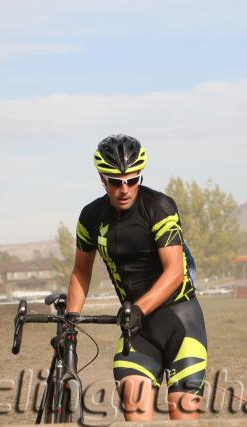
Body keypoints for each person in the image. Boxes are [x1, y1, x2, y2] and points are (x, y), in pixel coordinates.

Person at [65, 134, 207, 421]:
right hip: (138, 333)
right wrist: (70, 321)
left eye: (133, 180)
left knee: (183, 416)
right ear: (102, 179)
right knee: (134, 407)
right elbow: (81, 272)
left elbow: (175, 272)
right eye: (116, 182)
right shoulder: (91, 217)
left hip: (181, 324)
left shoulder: (159, 207)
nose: (125, 189)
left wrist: (139, 309)